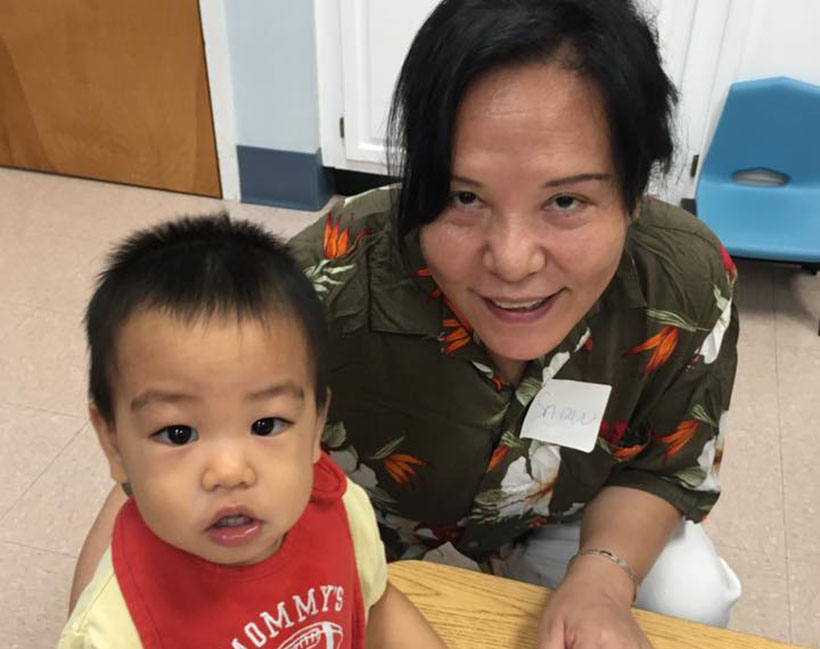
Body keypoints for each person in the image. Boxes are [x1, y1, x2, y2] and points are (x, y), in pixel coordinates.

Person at [72, 1, 743, 647]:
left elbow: (664, 463)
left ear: (635, 191)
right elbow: (167, 454)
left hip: (558, 513)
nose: (511, 261)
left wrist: (602, 576)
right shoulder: (323, 281)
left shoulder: (684, 283)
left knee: (692, 595)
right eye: (463, 196)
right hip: (344, 518)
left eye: (566, 199)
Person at [60, 215, 446, 649]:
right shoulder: (116, 629)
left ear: (317, 421)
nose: (229, 472)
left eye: (265, 425)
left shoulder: (341, 512)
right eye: (178, 433)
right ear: (113, 443)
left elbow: (375, 606)